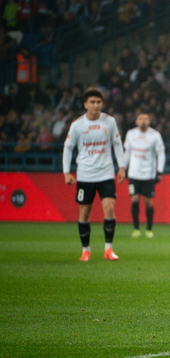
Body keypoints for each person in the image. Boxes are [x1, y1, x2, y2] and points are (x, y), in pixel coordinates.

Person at [63, 87, 126, 261]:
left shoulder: (109, 122)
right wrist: (66, 172)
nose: (96, 105)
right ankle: (85, 250)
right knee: (84, 212)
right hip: (85, 174)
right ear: (85, 104)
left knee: (110, 208)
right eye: (92, 102)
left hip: (106, 173)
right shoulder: (77, 125)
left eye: (98, 102)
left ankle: (108, 250)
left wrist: (121, 166)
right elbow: (68, 147)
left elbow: (117, 144)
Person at [123, 113, 165, 238]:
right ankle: (136, 228)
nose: (143, 121)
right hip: (134, 174)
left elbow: (161, 153)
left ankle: (149, 228)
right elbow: (127, 153)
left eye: (146, 119)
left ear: (149, 121)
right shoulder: (131, 134)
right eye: (141, 119)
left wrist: (159, 171)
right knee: (134, 199)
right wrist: (123, 168)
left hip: (148, 174)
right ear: (136, 121)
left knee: (148, 202)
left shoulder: (155, 135)